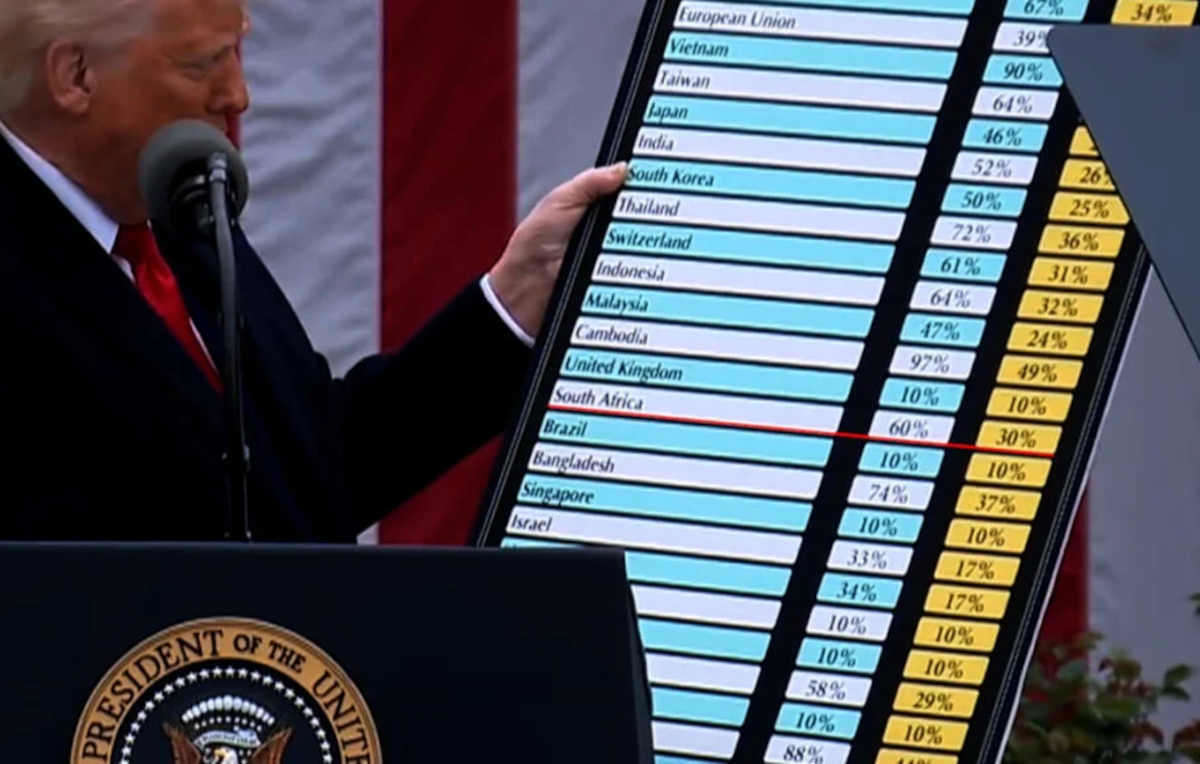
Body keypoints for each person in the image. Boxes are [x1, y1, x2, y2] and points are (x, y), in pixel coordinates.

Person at [0, 0, 627, 540]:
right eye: (202, 64)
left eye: (236, 53)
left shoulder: (173, 207)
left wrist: (513, 299)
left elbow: (308, 470)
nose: (237, 95)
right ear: (75, 75)